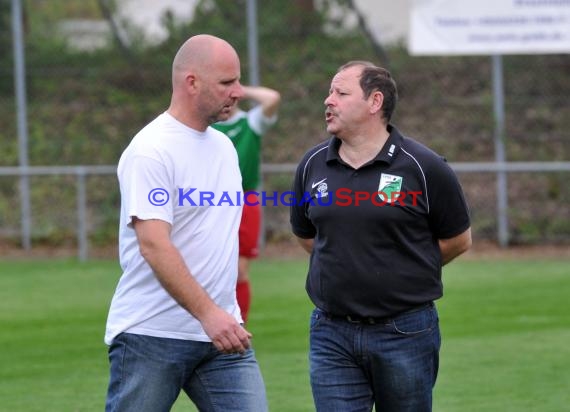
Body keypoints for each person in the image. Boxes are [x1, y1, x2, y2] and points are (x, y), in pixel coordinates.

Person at [290, 61, 472, 412]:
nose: (328, 101)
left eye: (341, 93)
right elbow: (307, 236)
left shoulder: (424, 166)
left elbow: (457, 239)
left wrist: (403, 269)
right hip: (331, 333)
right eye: (330, 92)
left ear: (375, 102)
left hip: (405, 332)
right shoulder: (311, 164)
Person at [104, 34, 268, 412]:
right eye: (228, 82)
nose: (239, 92)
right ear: (192, 82)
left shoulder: (225, 148)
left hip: (224, 336)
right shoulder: (150, 150)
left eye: (238, 81)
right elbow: (154, 245)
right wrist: (209, 315)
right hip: (152, 334)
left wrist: (220, 317)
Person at [212, 85, 281, 323]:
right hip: (210, 202)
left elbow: (272, 97)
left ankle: (238, 325)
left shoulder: (250, 123)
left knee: (239, 271)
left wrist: (241, 89)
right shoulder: (207, 127)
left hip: (245, 200)